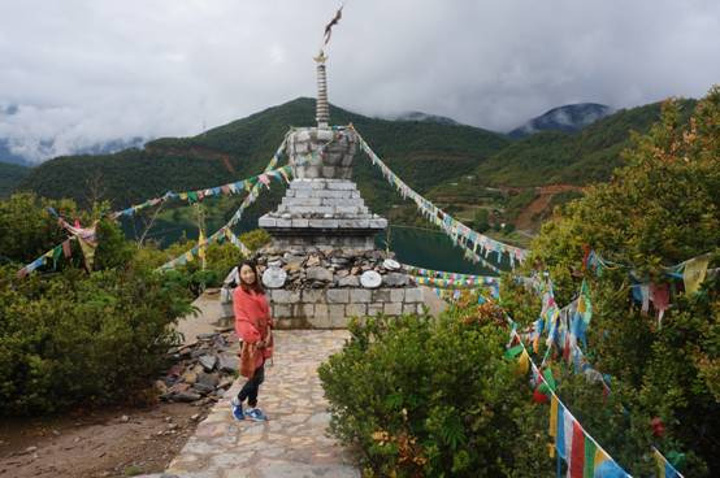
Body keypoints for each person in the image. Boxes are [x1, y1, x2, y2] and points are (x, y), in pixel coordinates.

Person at [230, 260, 273, 421]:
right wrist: (255, 338)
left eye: (250, 271)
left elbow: (266, 313)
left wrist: (268, 331)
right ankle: (237, 401)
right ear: (240, 275)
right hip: (250, 339)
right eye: (245, 273)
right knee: (256, 376)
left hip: (263, 337)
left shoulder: (258, 291)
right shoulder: (239, 293)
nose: (248, 275)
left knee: (257, 375)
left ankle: (251, 407)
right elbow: (241, 318)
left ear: (255, 272)